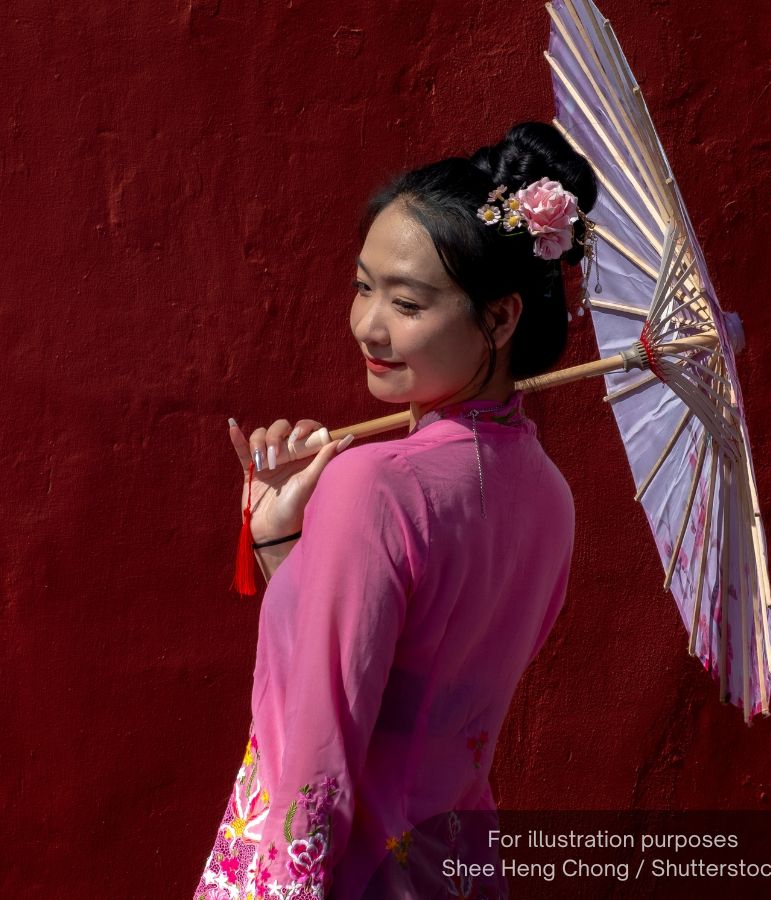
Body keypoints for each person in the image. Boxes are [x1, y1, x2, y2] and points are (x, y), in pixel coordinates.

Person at [193, 120, 597, 900]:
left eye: (406, 302)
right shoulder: (552, 498)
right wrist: (283, 539)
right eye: (362, 285)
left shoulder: (373, 485)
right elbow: (404, 681)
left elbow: (318, 766)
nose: (367, 325)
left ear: (502, 317)